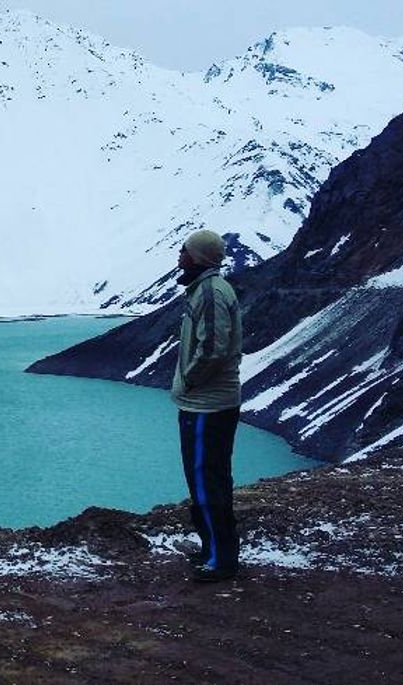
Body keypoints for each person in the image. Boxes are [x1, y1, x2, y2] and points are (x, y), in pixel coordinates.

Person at [172, 230, 243, 582]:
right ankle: (213, 550)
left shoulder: (211, 293)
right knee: (209, 478)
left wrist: (190, 379)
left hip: (207, 405)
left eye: (184, 250)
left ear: (198, 257)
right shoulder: (204, 289)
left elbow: (213, 348)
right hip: (206, 403)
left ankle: (221, 560)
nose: (179, 255)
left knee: (205, 479)